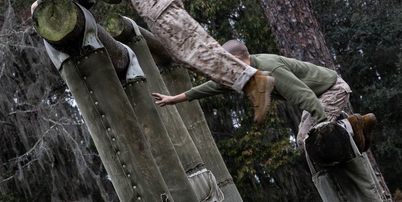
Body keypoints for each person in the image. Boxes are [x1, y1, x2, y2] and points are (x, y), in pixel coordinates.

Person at [16, 0, 275, 123]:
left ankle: (252, 80)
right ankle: (249, 82)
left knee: (187, 46)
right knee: (184, 51)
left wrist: (40, 3)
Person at [152, 40, 377, 152]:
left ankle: (350, 128)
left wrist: (322, 123)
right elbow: (212, 87)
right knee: (309, 137)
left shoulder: (270, 68)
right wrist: (174, 99)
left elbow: (303, 95)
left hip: (331, 90)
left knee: (306, 140)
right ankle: (353, 125)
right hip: (318, 96)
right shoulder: (244, 74)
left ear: (240, 59)